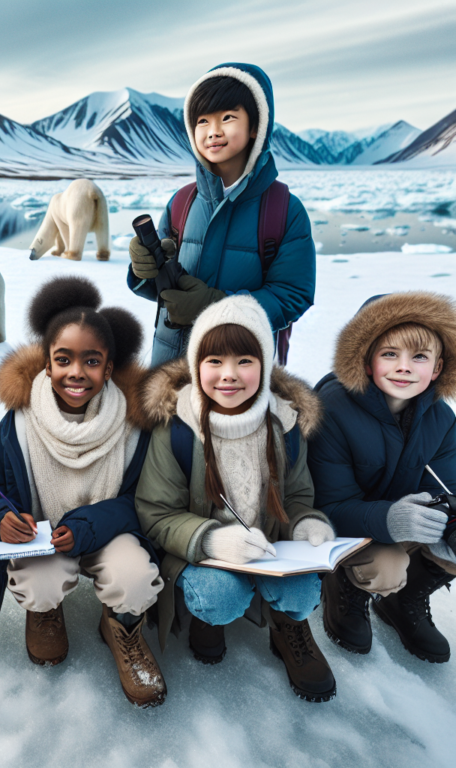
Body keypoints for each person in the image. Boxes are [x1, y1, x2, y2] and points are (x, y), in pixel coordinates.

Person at [0, 276, 166, 707]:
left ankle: (121, 625)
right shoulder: (17, 427)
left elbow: (146, 503)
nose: (77, 372)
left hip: (108, 535)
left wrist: (90, 526)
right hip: (44, 541)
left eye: (91, 361)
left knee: (134, 577)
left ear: (109, 368)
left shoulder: (133, 428)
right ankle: (45, 613)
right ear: (47, 365)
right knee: (38, 578)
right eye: (64, 359)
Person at [135, 295, 337, 702]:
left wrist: (305, 522)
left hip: (269, 550)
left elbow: (297, 494)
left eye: (245, 360)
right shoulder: (178, 426)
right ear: (196, 365)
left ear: (264, 364)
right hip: (201, 555)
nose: (229, 375)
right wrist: (212, 539)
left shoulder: (285, 421)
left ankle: (288, 627)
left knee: (301, 592)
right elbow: (156, 513)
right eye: (214, 361)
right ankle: (208, 617)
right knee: (219, 595)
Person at [127, 63, 316, 365]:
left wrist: (220, 307)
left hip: (240, 377)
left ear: (257, 126)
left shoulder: (283, 209)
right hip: (171, 368)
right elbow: (162, 291)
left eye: (228, 118)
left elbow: (293, 294)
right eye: (202, 121)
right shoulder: (182, 202)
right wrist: (143, 269)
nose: (213, 132)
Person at [308, 292, 456, 663]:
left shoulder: (441, 418)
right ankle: (345, 588)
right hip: (336, 528)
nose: (404, 367)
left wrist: (447, 523)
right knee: (387, 567)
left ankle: (405, 600)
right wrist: (390, 519)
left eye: (419, 357)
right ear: (367, 359)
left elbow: (446, 486)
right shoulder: (332, 410)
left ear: (437, 368)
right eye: (390, 354)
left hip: (395, 519)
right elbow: (325, 506)